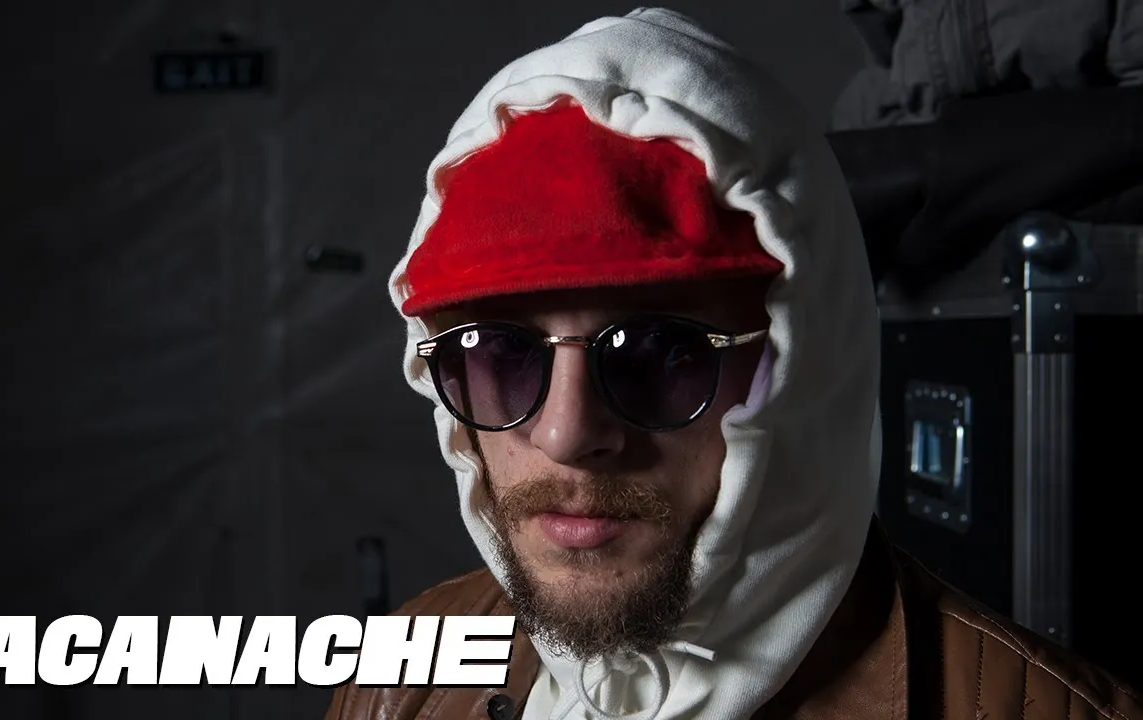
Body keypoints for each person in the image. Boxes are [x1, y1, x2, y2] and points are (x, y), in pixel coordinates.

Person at [326, 8, 1139, 720]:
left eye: (661, 354)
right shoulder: (397, 676)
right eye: (500, 354)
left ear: (803, 372)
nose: (568, 434)